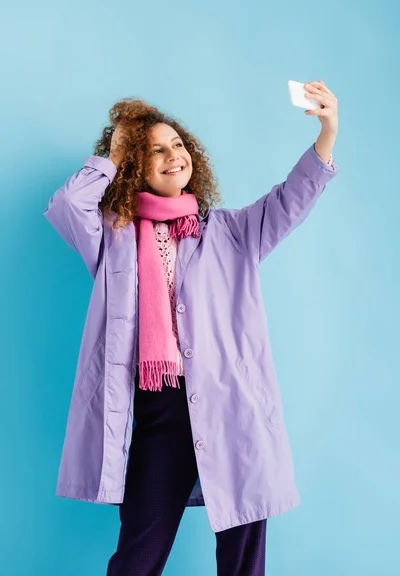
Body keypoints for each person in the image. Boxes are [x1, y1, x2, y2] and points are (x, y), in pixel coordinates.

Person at [43, 81, 339, 575]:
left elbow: (292, 198)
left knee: (244, 561)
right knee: (137, 556)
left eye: (177, 144)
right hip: (160, 416)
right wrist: (113, 154)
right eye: (154, 150)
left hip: (231, 408)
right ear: (136, 164)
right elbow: (67, 207)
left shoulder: (231, 232)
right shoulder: (112, 237)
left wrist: (328, 131)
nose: (172, 155)